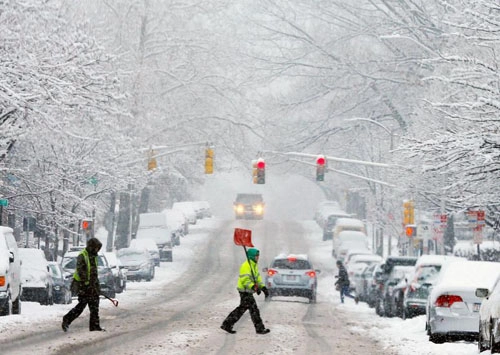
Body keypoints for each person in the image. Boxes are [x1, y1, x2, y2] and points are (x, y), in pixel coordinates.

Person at [221, 247, 270, 335]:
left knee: (243, 308)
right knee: (253, 309)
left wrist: (263, 288)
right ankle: (259, 328)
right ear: (251, 256)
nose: (258, 257)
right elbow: (245, 280)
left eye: (258, 256)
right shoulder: (246, 265)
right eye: (256, 256)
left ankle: (227, 324)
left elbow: (257, 279)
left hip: (248, 291)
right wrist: (253, 287)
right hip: (244, 290)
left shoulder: (253, 266)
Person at [62, 237, 105, 332]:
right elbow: (81, 272)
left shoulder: (94, 257)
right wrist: (87, 284)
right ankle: (67, 319)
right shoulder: (83, 255)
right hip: (83, 286)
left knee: (95, 306)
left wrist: (96, 286)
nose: (97, 250)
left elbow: (94, 272)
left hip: (92, 286)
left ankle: (95, 325)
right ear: (91, 247)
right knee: (81, 306)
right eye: (96, 248)